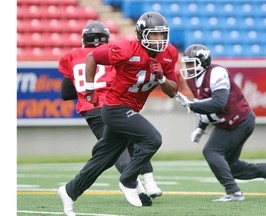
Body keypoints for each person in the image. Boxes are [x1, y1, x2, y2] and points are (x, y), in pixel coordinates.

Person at [57, 11, 179, 215]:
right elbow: (92, 56)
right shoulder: (125, 49)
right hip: (115, 108)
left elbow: (173, 91)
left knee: (102, 159)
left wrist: (161, 79)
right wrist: (89, 89)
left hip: (129, 108)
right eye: (153, 35)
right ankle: (128, 180)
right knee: (153, 139)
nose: (159, 40)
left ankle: (69, 191)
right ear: (141, 34)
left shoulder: (169, 53)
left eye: (161, 34)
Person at [175, 43, 266, 202]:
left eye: (191, 63)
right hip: (228, 122)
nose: (188, 67)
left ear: (203, 61)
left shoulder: (217, 72)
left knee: (211, 151)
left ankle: (234, 192)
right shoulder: (192, 79)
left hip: (240, 120)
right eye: (186, 63)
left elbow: (218, 103)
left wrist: (191, 105)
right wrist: (200, 127)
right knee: (231, 166)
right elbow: (206, 105)